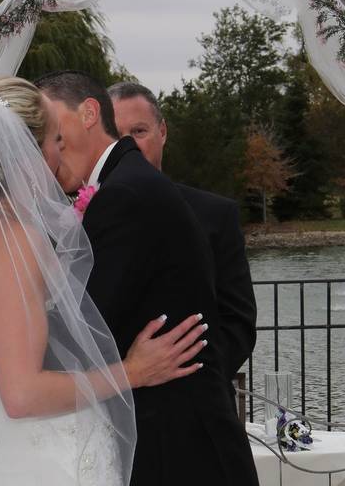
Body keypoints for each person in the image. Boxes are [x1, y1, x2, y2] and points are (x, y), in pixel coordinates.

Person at [0, 77, 206, 485]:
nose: (58, 151)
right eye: (54, 139)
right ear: (25, 154)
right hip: (51, 460)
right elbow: (20, 394)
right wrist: (132, 371)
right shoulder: (18, 241)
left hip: (5, 454)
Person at [35, 70, 259, 485]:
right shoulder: (125, 184)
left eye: (54, 131)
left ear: (87, 113)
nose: (48, 147)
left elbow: (81, 335)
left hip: (181, 451)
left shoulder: (125, 195)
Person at [108, 81, 257, 384]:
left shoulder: (216, 215)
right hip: (106, 402)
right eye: (117, 136)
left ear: (162, 132)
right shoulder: (79, 219)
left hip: (194, 405)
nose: (128, 147)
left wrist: (194, 383)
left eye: (138, 132)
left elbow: (237, 322)